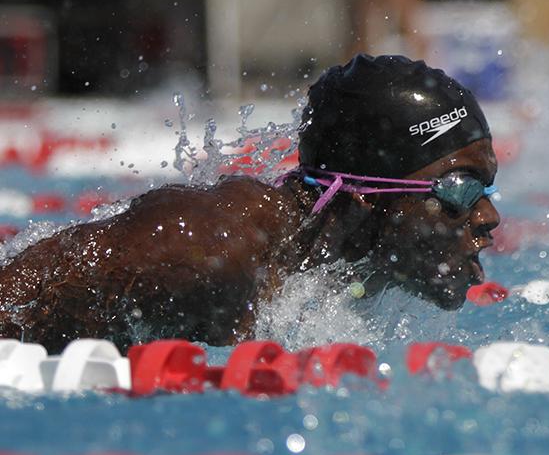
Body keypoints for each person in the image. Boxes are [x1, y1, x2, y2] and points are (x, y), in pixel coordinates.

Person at [0, 54, 499, 353]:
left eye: (487, 190)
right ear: (363, 199)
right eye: (460, 189)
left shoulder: (338, 269)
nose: (489, 216)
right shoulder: (207, 249)